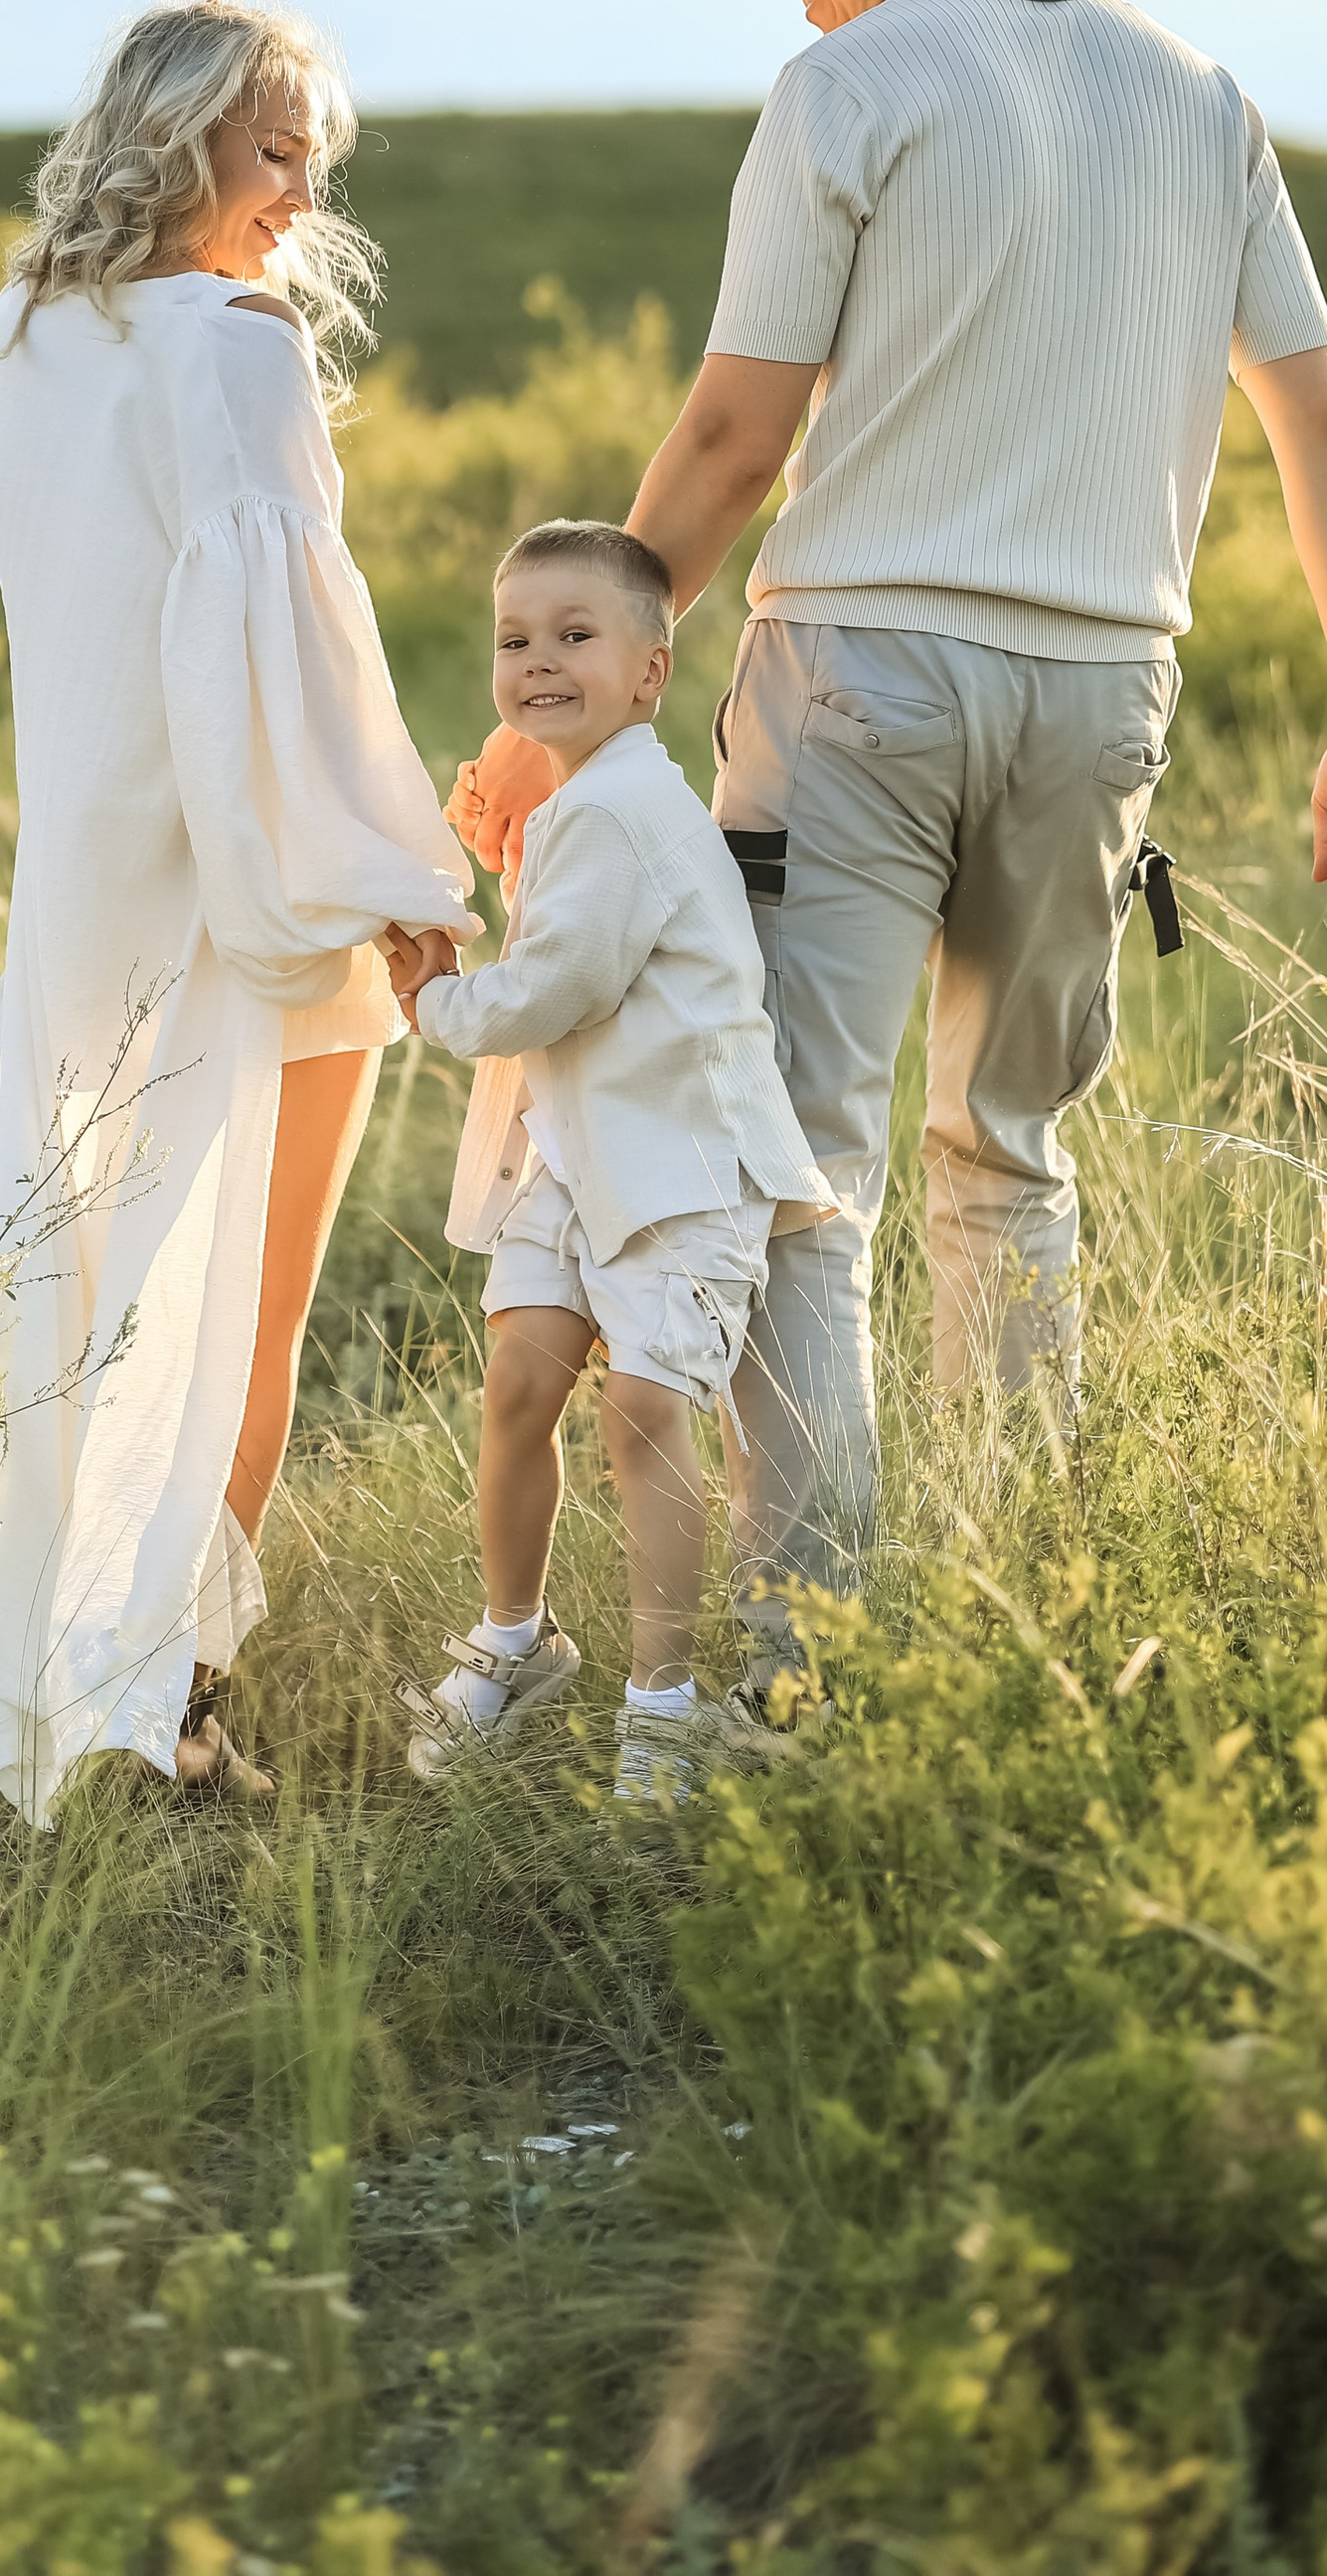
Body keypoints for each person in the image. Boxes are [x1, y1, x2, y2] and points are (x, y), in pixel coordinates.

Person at [450, 0, 1327, 1711]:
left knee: (803, 1167)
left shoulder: (847, 87)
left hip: (857, 684)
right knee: (1011, 1154)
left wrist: (564, 717)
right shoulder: (1200, 96)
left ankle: (811, 1670)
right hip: (1098, 696)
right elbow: (1320, 423)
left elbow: (733, 440)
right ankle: (1015, 1631)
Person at [0, 0, 477, 1826]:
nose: (300, 198)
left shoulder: (27, 332)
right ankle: (170, 1721)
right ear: (177, 133)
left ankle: (67, 1695)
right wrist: (401, 883)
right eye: (273, 152)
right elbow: (292, 653)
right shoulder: (241, 345)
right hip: (236, 887)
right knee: (239, 1322)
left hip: (78, 889)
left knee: (84, 1311)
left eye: (312, 162)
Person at [390, 522, 832, 1803]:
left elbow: (559, 986)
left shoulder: (623, 809)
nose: (538, 661)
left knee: (643, 1415)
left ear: (650, 671)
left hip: (681, 1165)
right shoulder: (577, 804)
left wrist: (436, 999)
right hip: (577, 1155)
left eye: (574, 636)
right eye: (515, 639)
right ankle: (516, 1639)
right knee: (518, 1387)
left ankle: (663, 1703)